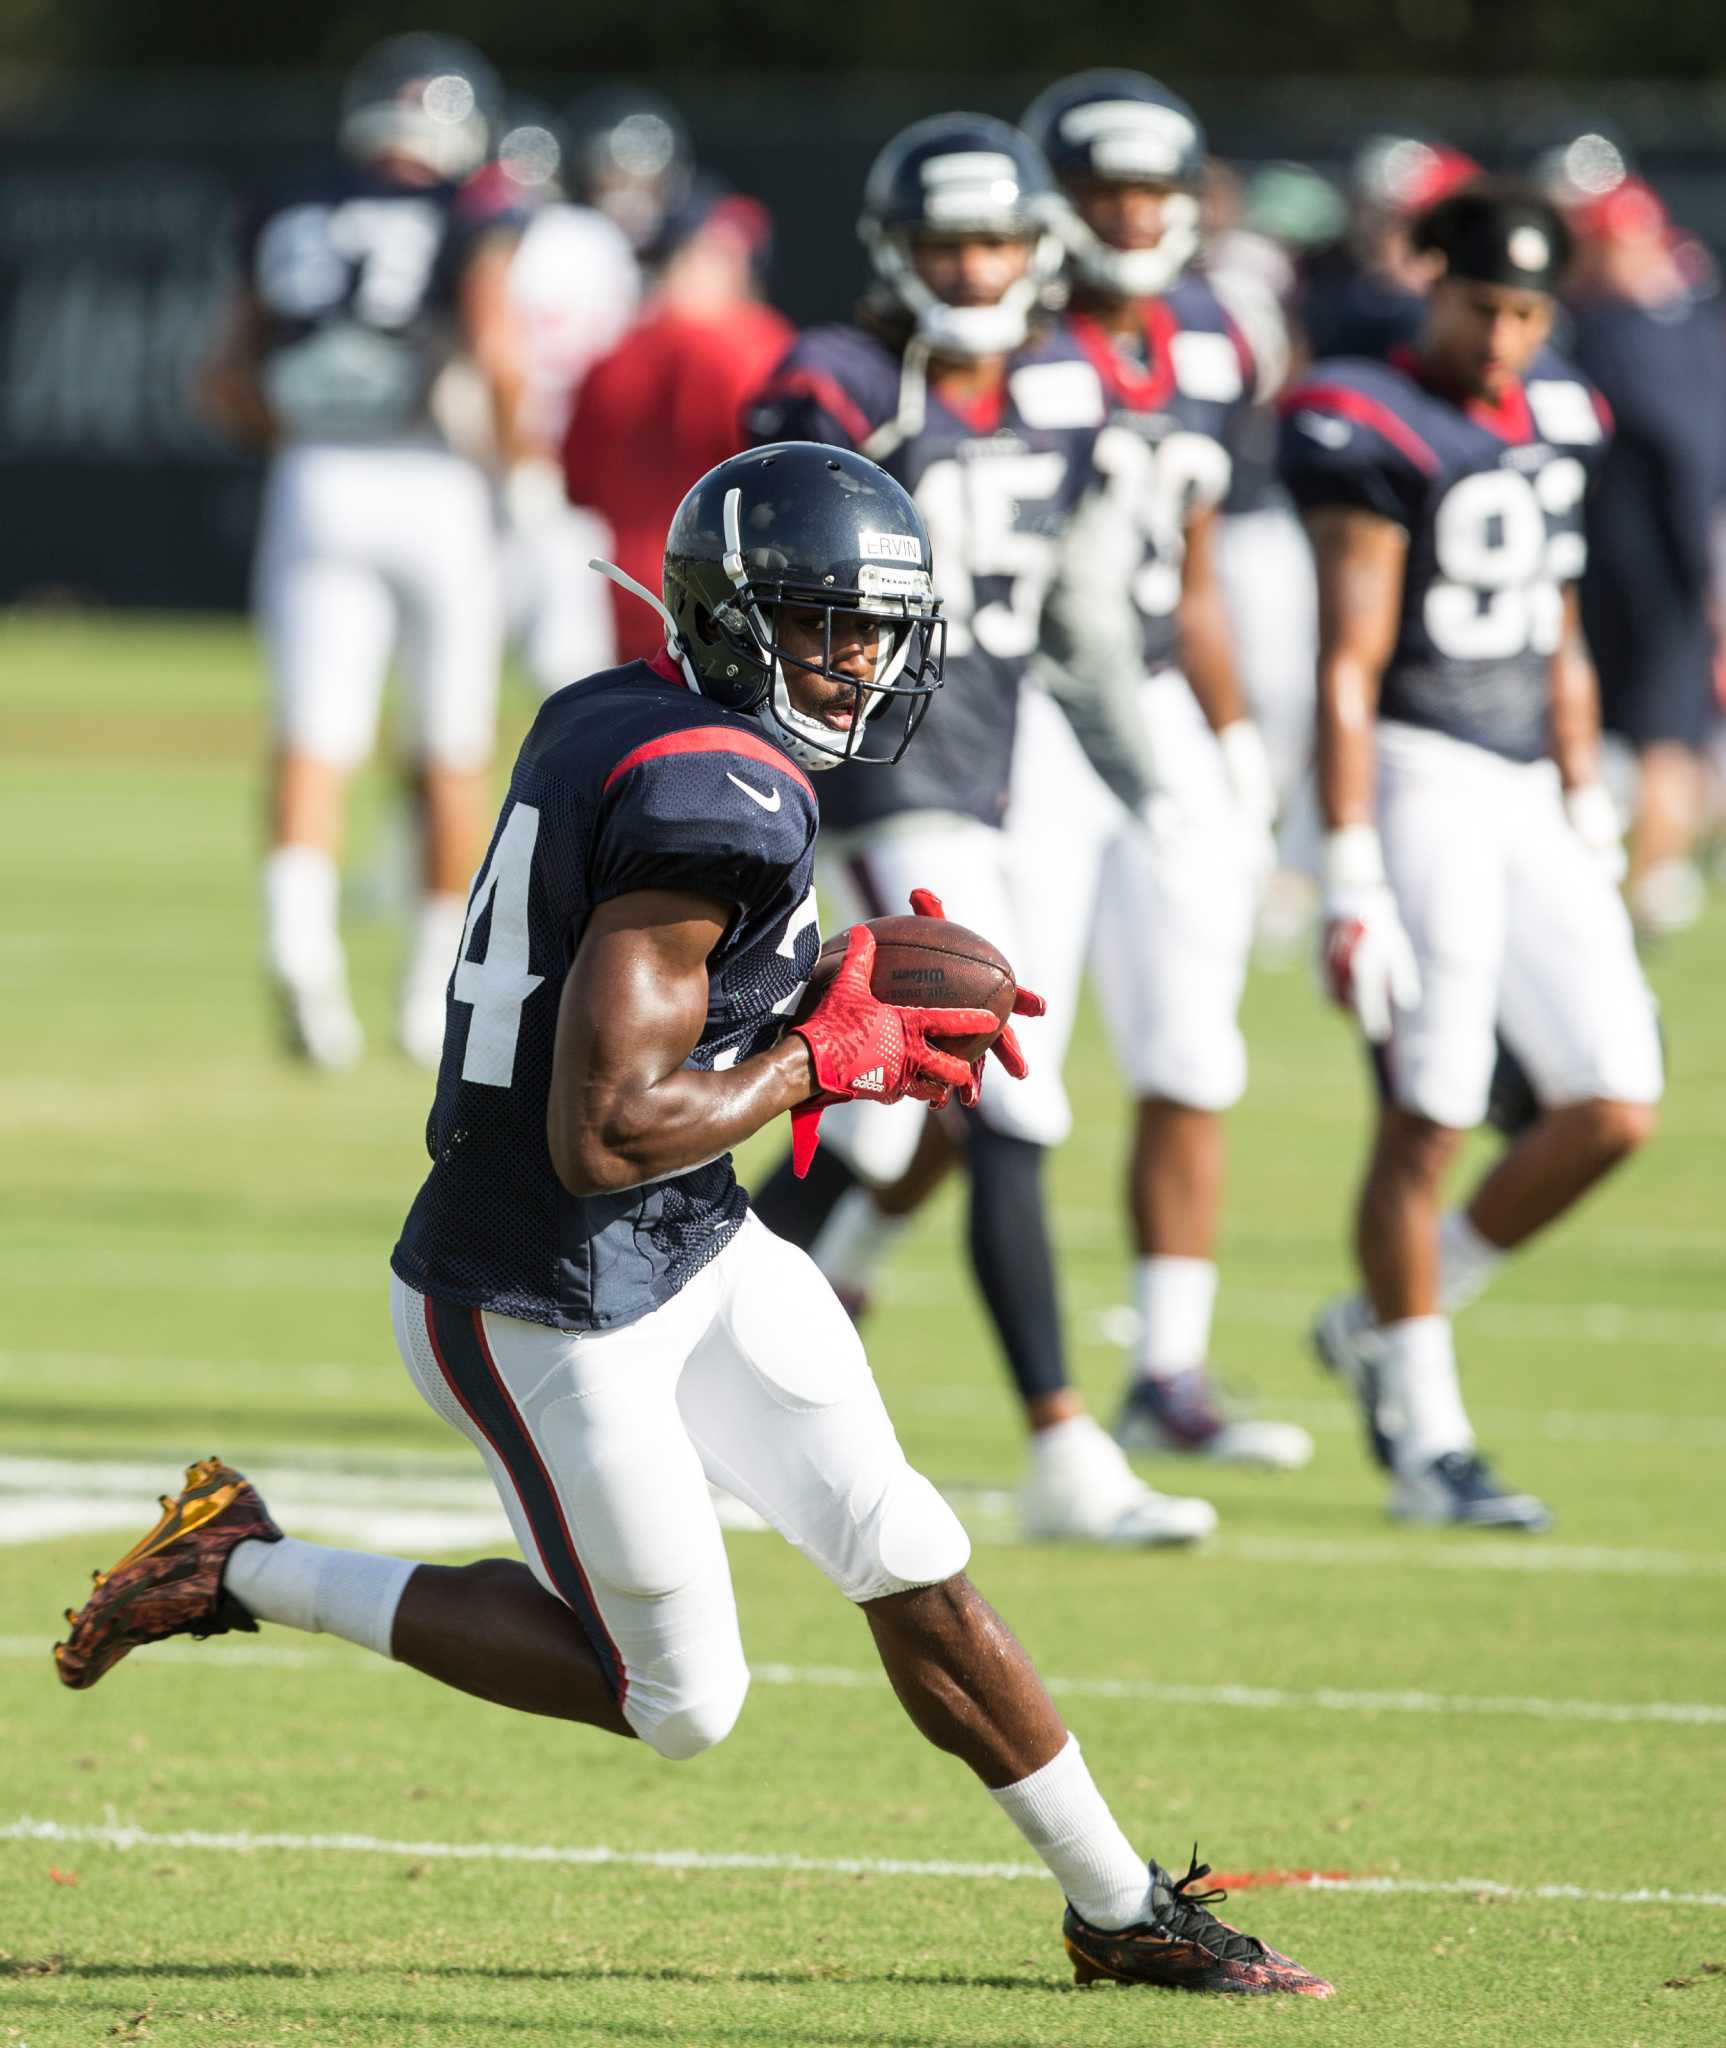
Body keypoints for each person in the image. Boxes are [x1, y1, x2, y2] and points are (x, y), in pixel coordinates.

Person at [53, 443, 1331, 2003]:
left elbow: (637, 1013)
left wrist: (804, 988)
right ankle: (240, 1565)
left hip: (694, 1241)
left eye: (877, 629)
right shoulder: (720, 794)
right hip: (539, 1290)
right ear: (734, 621)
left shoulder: (617, 708)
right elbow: (599, 1133)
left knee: (906, 1547)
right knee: (677, 1700)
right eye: (823, 626)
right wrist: (820, 1049)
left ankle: (1117, 1902)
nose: (858, 662)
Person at [743, 113, 1218, 1546]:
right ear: (898, 249)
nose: (974, 264)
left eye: (997, 238)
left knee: (877, 1144)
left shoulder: (1066, 382)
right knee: (1009, 1090)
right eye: (949, 239)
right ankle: (1064, 1446)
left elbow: (1078, 608)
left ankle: (674, 1352)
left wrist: (1162, 789)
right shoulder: (832, 383)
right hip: (879, 771)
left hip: (1003, 764)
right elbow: (761, 598)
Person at [1281, 184, 1663, 1526]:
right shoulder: (1363, 410)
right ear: (1427, 285)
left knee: (1613, 1100)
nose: (1499, 336)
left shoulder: (1561, 407)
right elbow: (1349, 654)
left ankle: (1384, 1314)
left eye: (1522, 311)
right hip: (1414, 771)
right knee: (1429, 1111)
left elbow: (1557, 626)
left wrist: (1584, 787)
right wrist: (1347, 865)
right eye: (1477, 305)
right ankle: (1429, 1444)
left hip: (1522, 780)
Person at [1018, 70, 1312, 1471]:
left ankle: (1169, 1371)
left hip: (1153, 693)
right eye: (1101, 190)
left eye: (1149, 188)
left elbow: (1192, 563)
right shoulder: (1002, 324)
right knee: (985, 1056)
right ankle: (819, 1295)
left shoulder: (1212, 340)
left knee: (1193, 1045)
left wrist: (1237, 729)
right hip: (1019, 710)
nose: (1128, 215)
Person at [204, 33, 525, 1071]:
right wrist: (519, 465)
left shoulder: (291, 201)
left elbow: (223, 379)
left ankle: (300, 952)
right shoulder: (470, 208)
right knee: (451, 747)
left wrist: (295, 432)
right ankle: (430, 995)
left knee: (311, 736)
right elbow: (495, 350)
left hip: (319, 477)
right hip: (433, 481)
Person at [1564, 175, 1726, 940]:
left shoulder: (1638, 330)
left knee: (1668, 731)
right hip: (1638, 559)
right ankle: (1637, 889)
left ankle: (1641, 893)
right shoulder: (1653, 325)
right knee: (1659, 732)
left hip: (1661, 556)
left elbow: (1690, 459)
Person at [563, 185, 793, 668]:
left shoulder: (613, 354)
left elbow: (577, 483)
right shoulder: (758, 346)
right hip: (730, 591)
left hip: (625, 589)